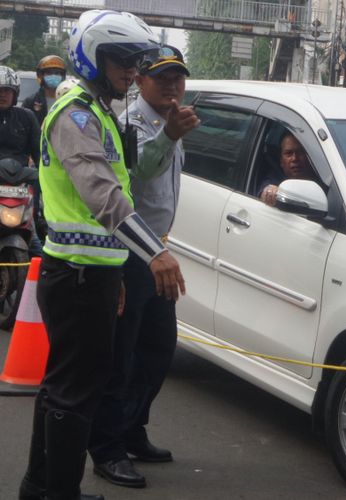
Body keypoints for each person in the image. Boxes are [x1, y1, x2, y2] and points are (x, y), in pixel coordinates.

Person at [18, 10, 185, 500]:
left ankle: (42, 487)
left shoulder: (96, 112)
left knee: (61, 388)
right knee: (75, 392)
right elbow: (105, 196)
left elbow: (127, 186)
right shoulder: (75, 115)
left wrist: (116, 277)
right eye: (121, 62)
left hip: (90, 274)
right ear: (93, 57)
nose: (130, 73)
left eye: (134, 63)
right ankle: (59, 492)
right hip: (75, 277)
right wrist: (155, 254)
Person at [88, 45, 199, 489]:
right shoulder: (130, 125)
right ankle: (107, 448)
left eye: (178, 77)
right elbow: (129, 185)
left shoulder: (173, 121)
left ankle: (132, 429)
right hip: (131, 253)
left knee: (157, 351)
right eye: (162, 77)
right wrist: (168, 136)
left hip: (159, 252)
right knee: (123, 355)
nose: (173, 84)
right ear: (139, 81)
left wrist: (173, 132)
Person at [0, 65, 44, 256]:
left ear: (14, 92)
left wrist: (45, 175)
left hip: (20, 189)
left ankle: (44, 279)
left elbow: (40, 155)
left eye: (6, 90)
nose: (2, 95)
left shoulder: (27, 117)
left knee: (36, 243)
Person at [258, 131, 316, 206]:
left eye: (300, 152)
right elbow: (265, 190)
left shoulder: (324, 179)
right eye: (288, 153)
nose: (295, 158)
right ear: (281, 161)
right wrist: (270, 192)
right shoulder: (275, 179)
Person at [23, 55, 67, 126]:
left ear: (62, 76)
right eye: (49, 73)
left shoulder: (67, 101)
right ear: (41, 75)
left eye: (57, 73)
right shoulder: (31, 101)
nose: (53, 76)